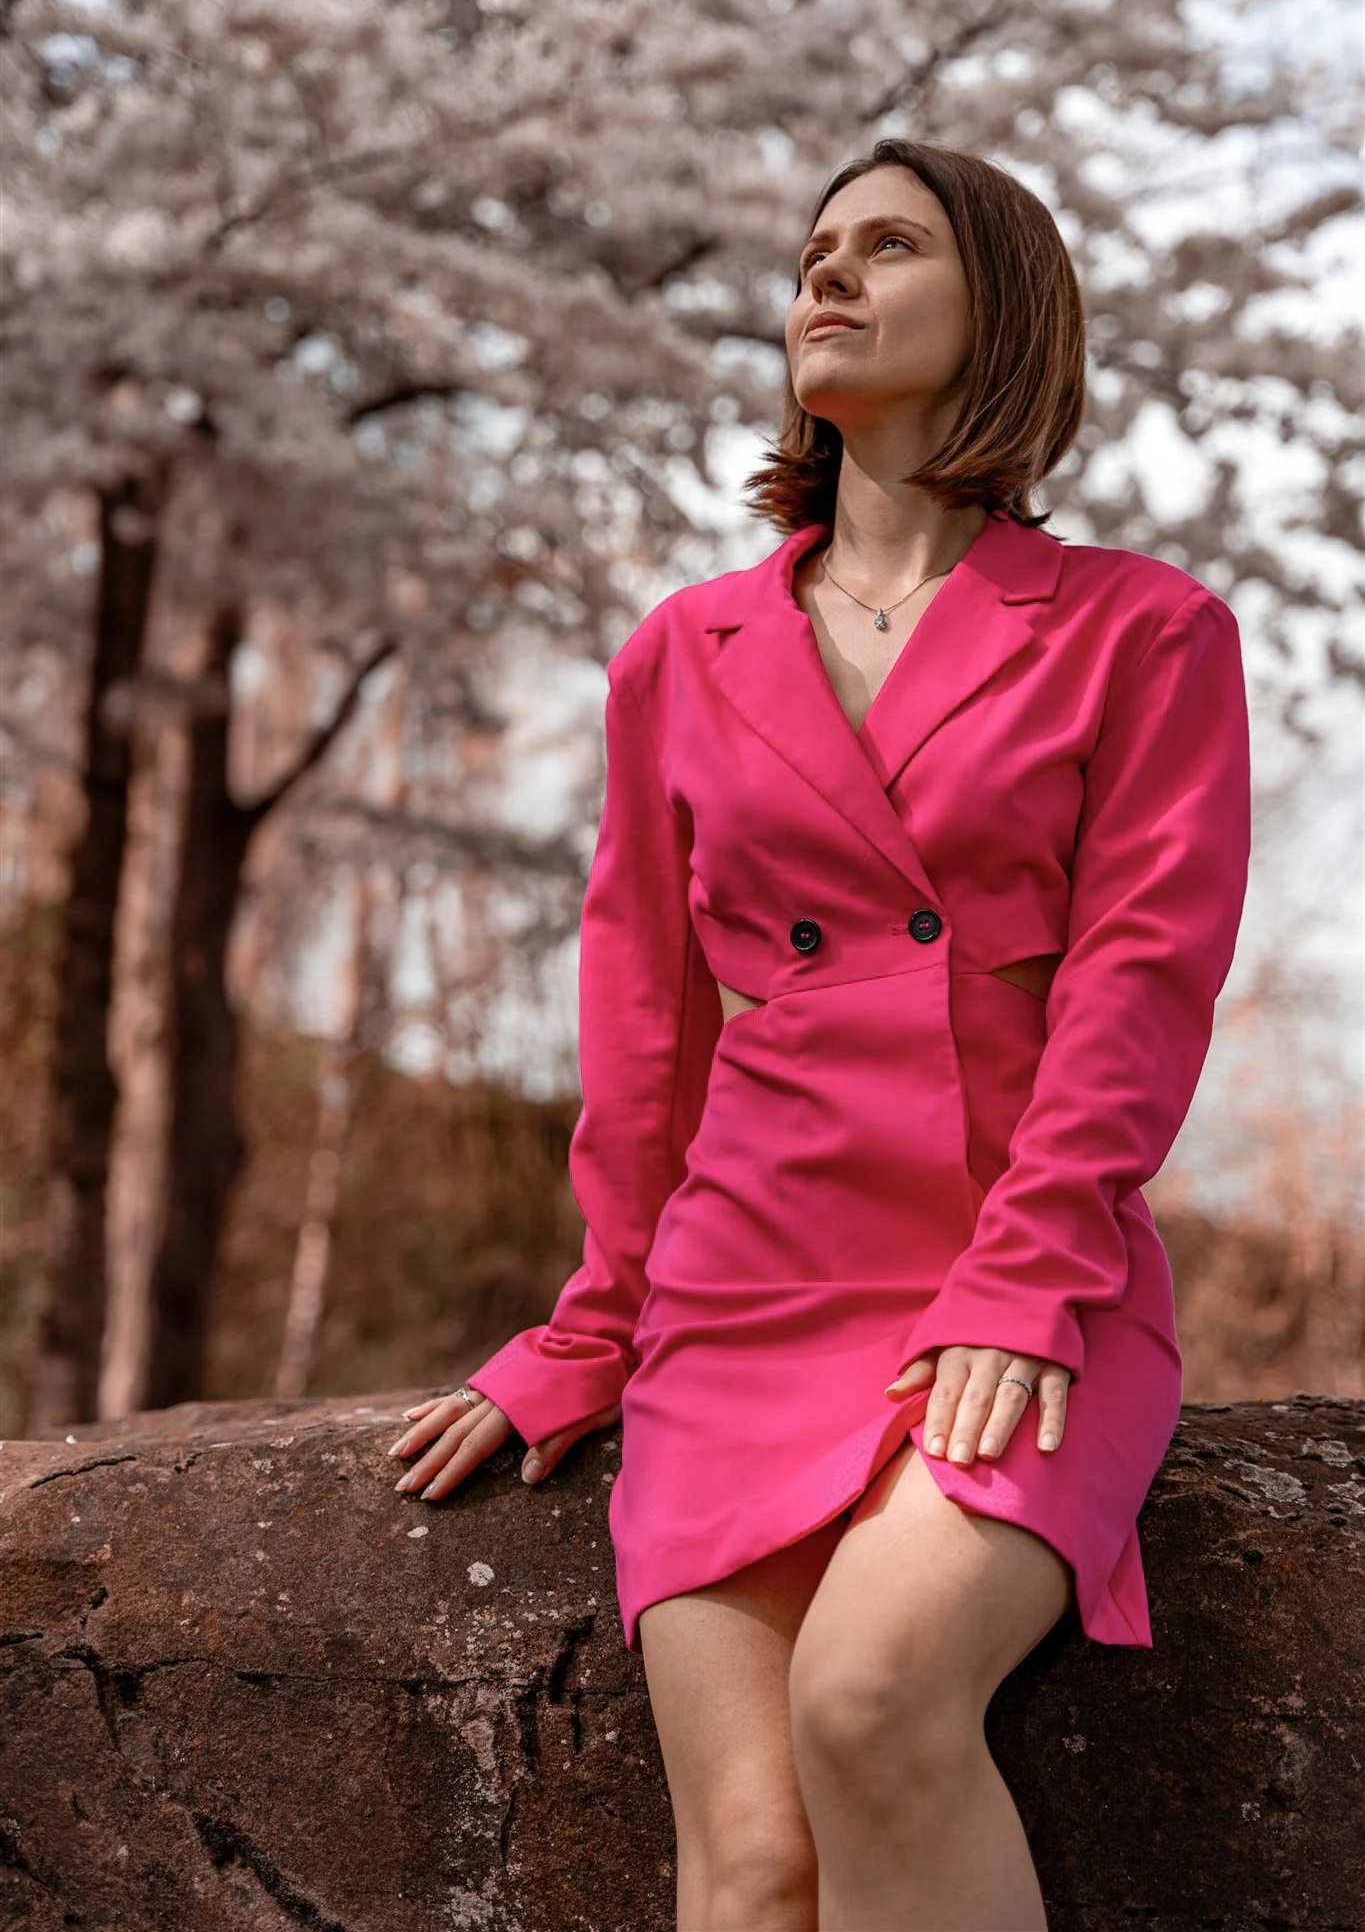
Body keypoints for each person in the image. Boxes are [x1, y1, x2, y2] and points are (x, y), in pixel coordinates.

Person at [387, 138, 1252, 1930]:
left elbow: (1141, 983)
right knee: (753, 1866)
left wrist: (1028, 1277)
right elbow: (643, 1025)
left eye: (890, 246)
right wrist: (595, 1325)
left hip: (1022, 1279)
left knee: (873, 1698)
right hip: (740, 1296)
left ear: (1004, 308)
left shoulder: (1145, 632)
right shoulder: (680, 653)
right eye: (813, 255)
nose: (827, 278)